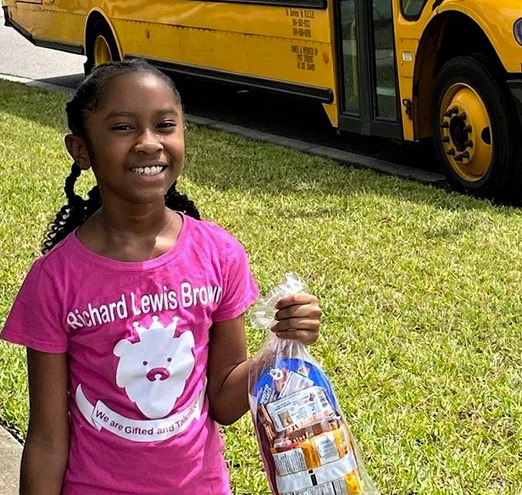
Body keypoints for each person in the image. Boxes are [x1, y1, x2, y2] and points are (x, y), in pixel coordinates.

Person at [0, 59, 322, 495]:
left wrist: (280, 345)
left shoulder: (220, 254)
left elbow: (224, 402)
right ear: (81, 149)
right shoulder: (55, 279)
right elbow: (47, 438)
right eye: (122, 127)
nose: (149, 143)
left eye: (165, 124)